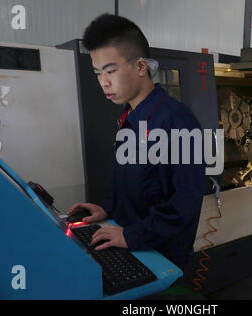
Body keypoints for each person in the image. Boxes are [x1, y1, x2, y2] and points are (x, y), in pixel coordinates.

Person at [68, 13, 205, 270]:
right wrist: (106, 209)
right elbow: (134, 186)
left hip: (161, 257)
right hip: (130, 244)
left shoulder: (177, 121)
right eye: (98, 73)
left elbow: (184, 204)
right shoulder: (129, 118)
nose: (104, 82)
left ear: (141, 67)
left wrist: (131, 236)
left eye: (111, 71)